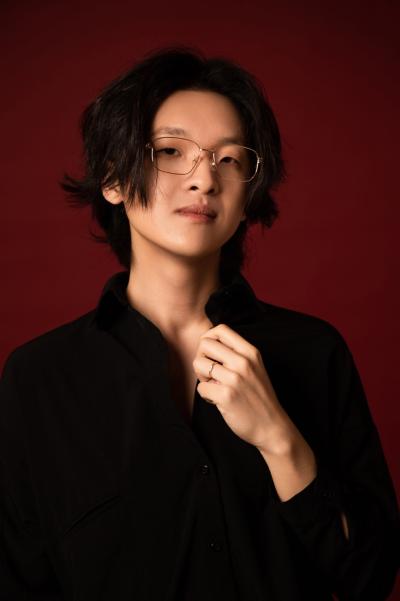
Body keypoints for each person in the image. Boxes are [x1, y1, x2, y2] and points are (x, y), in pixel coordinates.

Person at [0, 47, 398, 601]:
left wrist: (279, 438)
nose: (205, 179)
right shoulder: (40, 378)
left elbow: (370, 577)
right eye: (170, 151)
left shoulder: (314, 352)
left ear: (248, 196)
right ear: (113, 178)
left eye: (229, 160)